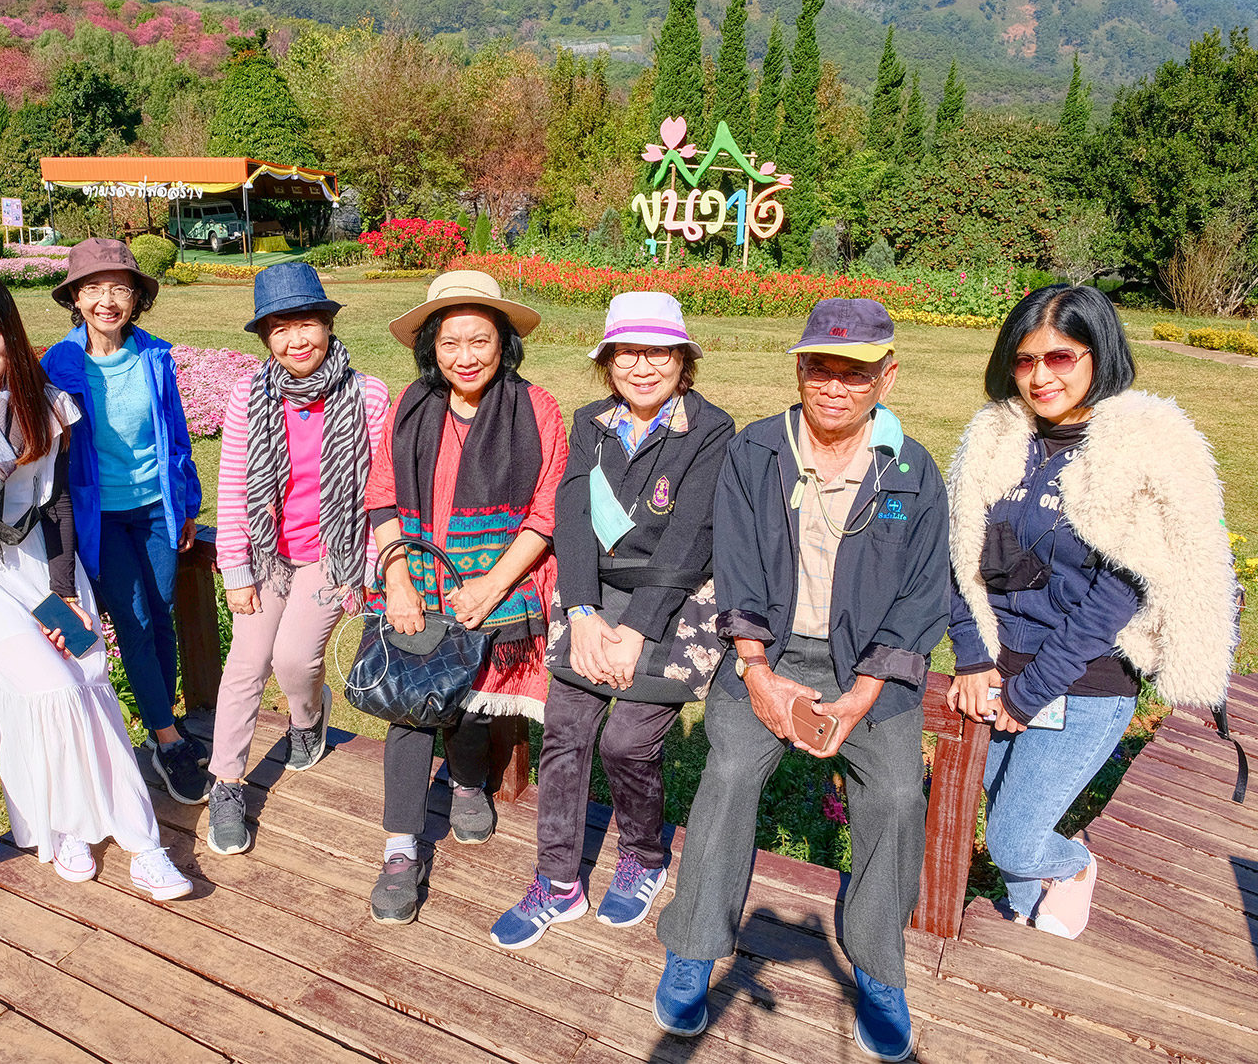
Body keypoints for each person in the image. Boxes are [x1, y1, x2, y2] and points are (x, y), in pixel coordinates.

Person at [653, 299, 949, 1063]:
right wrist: (757, 672)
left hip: (868, 671)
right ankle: (693, 943)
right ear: (799, 367)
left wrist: (867, 690)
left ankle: (879, 966)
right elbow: (739, 571)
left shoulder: (913, 471)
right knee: (728, 772)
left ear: (887, 376)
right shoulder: (757, 451)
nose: (834, 386)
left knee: (893, 795)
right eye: (820, 366)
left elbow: (922, 596)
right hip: (769, 655)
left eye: (855, 372)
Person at [0, 264, 192, 901]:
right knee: (51, 691)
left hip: (50, 570)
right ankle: (76, 826)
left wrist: (62, 592)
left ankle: (137, 842)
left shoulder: (46, 397)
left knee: (89, 680)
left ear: (10, 326)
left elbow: (56, 504)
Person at [947, 284, 1237, 940]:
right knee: (1003, 811)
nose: (1039, 376)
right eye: (1024, 361)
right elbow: (953, 553)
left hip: (1084, 679)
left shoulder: (1137, 444)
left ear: (1097, 355)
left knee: (1017, 839)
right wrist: (971, 653)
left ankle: (1074, 866)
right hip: (997, 672)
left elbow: (1119, 592)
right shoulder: (995, 435)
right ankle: (1025, 924)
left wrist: (1032, 692)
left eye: (1060, 357)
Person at [489, 292, 735, 950]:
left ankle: (644, 857)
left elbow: (691, 536)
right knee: (565, 733)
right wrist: (586, 612)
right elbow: (571, 519)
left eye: (659, 352)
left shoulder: (710, 430)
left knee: (626, 741)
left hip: (676, 600)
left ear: (683, 361)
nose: (643, 365)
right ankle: (557, 882)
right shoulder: (591, 422)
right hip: (594, 597)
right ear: (609, 361)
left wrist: (637, 630)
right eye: (628, 351)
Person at [365, 270, 568, 925]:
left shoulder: (536, 408)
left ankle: (468, 780)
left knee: (475, 691)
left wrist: (491, 583)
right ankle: (400, 849)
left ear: (503, 341)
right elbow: (383, 496)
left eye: (480, 339)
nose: (465, 355)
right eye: (450, 342)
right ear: (431, 346)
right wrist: (398, 580)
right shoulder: (411, 403)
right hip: (415, 582)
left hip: (496, 581)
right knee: (410, 707)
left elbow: (546, 509)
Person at [205, 264, 390, 855]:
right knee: (245, 664)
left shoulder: (367, 395)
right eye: (280, 327)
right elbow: (234, 487)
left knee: (292, 661)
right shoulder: (247, 397)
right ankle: (226, 782)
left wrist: (364, 566)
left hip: (331, 555)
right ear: (265, 337)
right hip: (266, 553)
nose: (295, 339)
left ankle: (307, 719)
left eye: (306, 322)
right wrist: (236, 571)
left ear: (328, 325)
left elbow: (379, 492)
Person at [41, 238, 207, 805]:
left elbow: (176, 437)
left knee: (161, 614)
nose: (108, 300)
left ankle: (163, 724)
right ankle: (167, 739)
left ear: (137, 298)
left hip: (156, 508)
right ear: (76, 299)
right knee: (132, 620)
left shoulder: (155, 356)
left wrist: (186, 503)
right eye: (94, 289)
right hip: (98, 516)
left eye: (120, 288)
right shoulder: (58, 366)